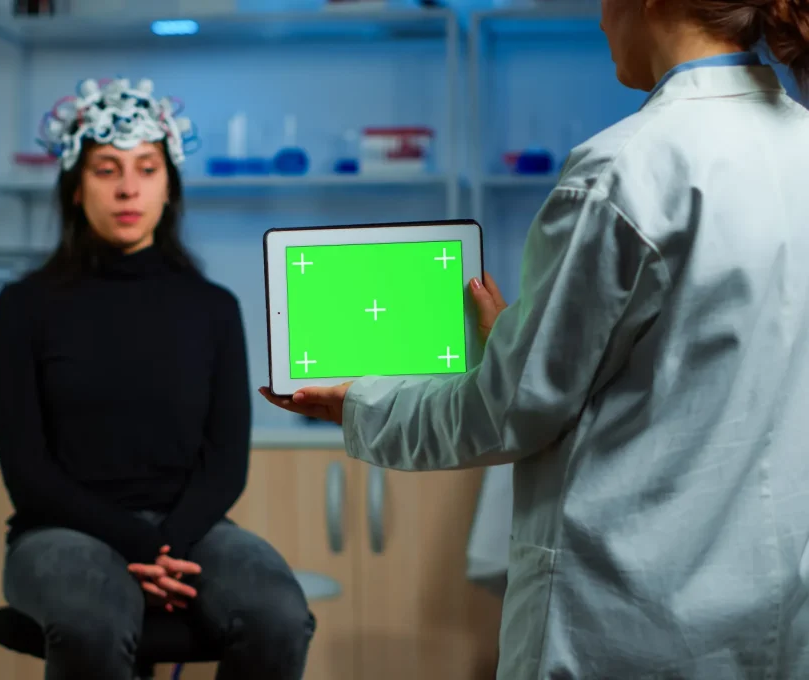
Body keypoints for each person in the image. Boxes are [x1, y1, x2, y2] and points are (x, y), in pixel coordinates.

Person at [263, 1, 809, 678]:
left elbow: (506, 414)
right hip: (775, 624)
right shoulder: (799, 146)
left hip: (631, 625)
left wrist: (359, 404)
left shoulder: (624, 171)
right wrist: (519, 341)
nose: (600, 23)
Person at [0, 77, 314, 680]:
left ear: (170, 187)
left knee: (279, 614)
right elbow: (27, 473)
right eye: (107, 169)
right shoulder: (22, 307)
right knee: (93, 622)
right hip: (58, 531)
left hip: (192, 527)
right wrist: (138, 546)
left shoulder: (213, 307)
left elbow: (225, 464)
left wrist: (169, 541)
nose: (128, 187)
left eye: (147, 168)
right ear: (76, 188)